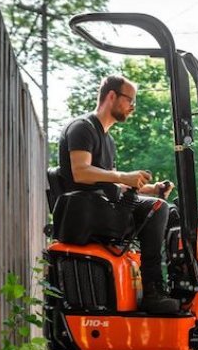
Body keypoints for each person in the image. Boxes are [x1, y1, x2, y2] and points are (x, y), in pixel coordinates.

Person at [58, 74, 180, 314]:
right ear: (111, 96)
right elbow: (81, 172)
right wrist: (123, 176)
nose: (132, 107)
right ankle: (153, 292)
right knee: (157, 209)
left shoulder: (108, 140)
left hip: (105, 207)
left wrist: (150, 189)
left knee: (171, 210)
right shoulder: (82, 128)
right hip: (88, 213)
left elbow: (113, 183)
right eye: (130, 100)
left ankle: (175, 284)